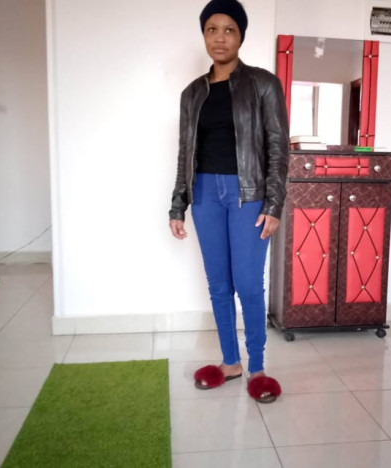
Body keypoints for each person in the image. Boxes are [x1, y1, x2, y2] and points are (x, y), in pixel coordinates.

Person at [169, 0, 289, 404]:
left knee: (248, 284)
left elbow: (278, 147)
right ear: (204, 35)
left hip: (249, 195)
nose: (219, 38)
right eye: (212, 29)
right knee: (219, 284)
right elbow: (185, 152)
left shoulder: (263, 84)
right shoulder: (191, 94)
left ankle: (258, 368)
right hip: (204, 193)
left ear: (240, 36)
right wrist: (178, 204)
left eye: (229, 30)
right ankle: (230, 362)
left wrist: (274, 204)